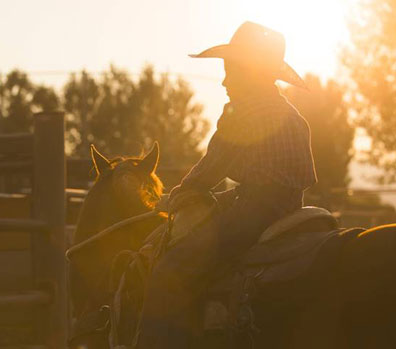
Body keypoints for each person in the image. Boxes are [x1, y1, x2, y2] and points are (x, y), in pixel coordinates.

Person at [136, 21, 317, 348]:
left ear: (249, 72)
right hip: (294, 210)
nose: (224, 80)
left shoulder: (243, 111)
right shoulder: (292, 115)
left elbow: (212, 166)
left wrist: (179, 194)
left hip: (254, 212)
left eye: (231, 70)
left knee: (170, 270)